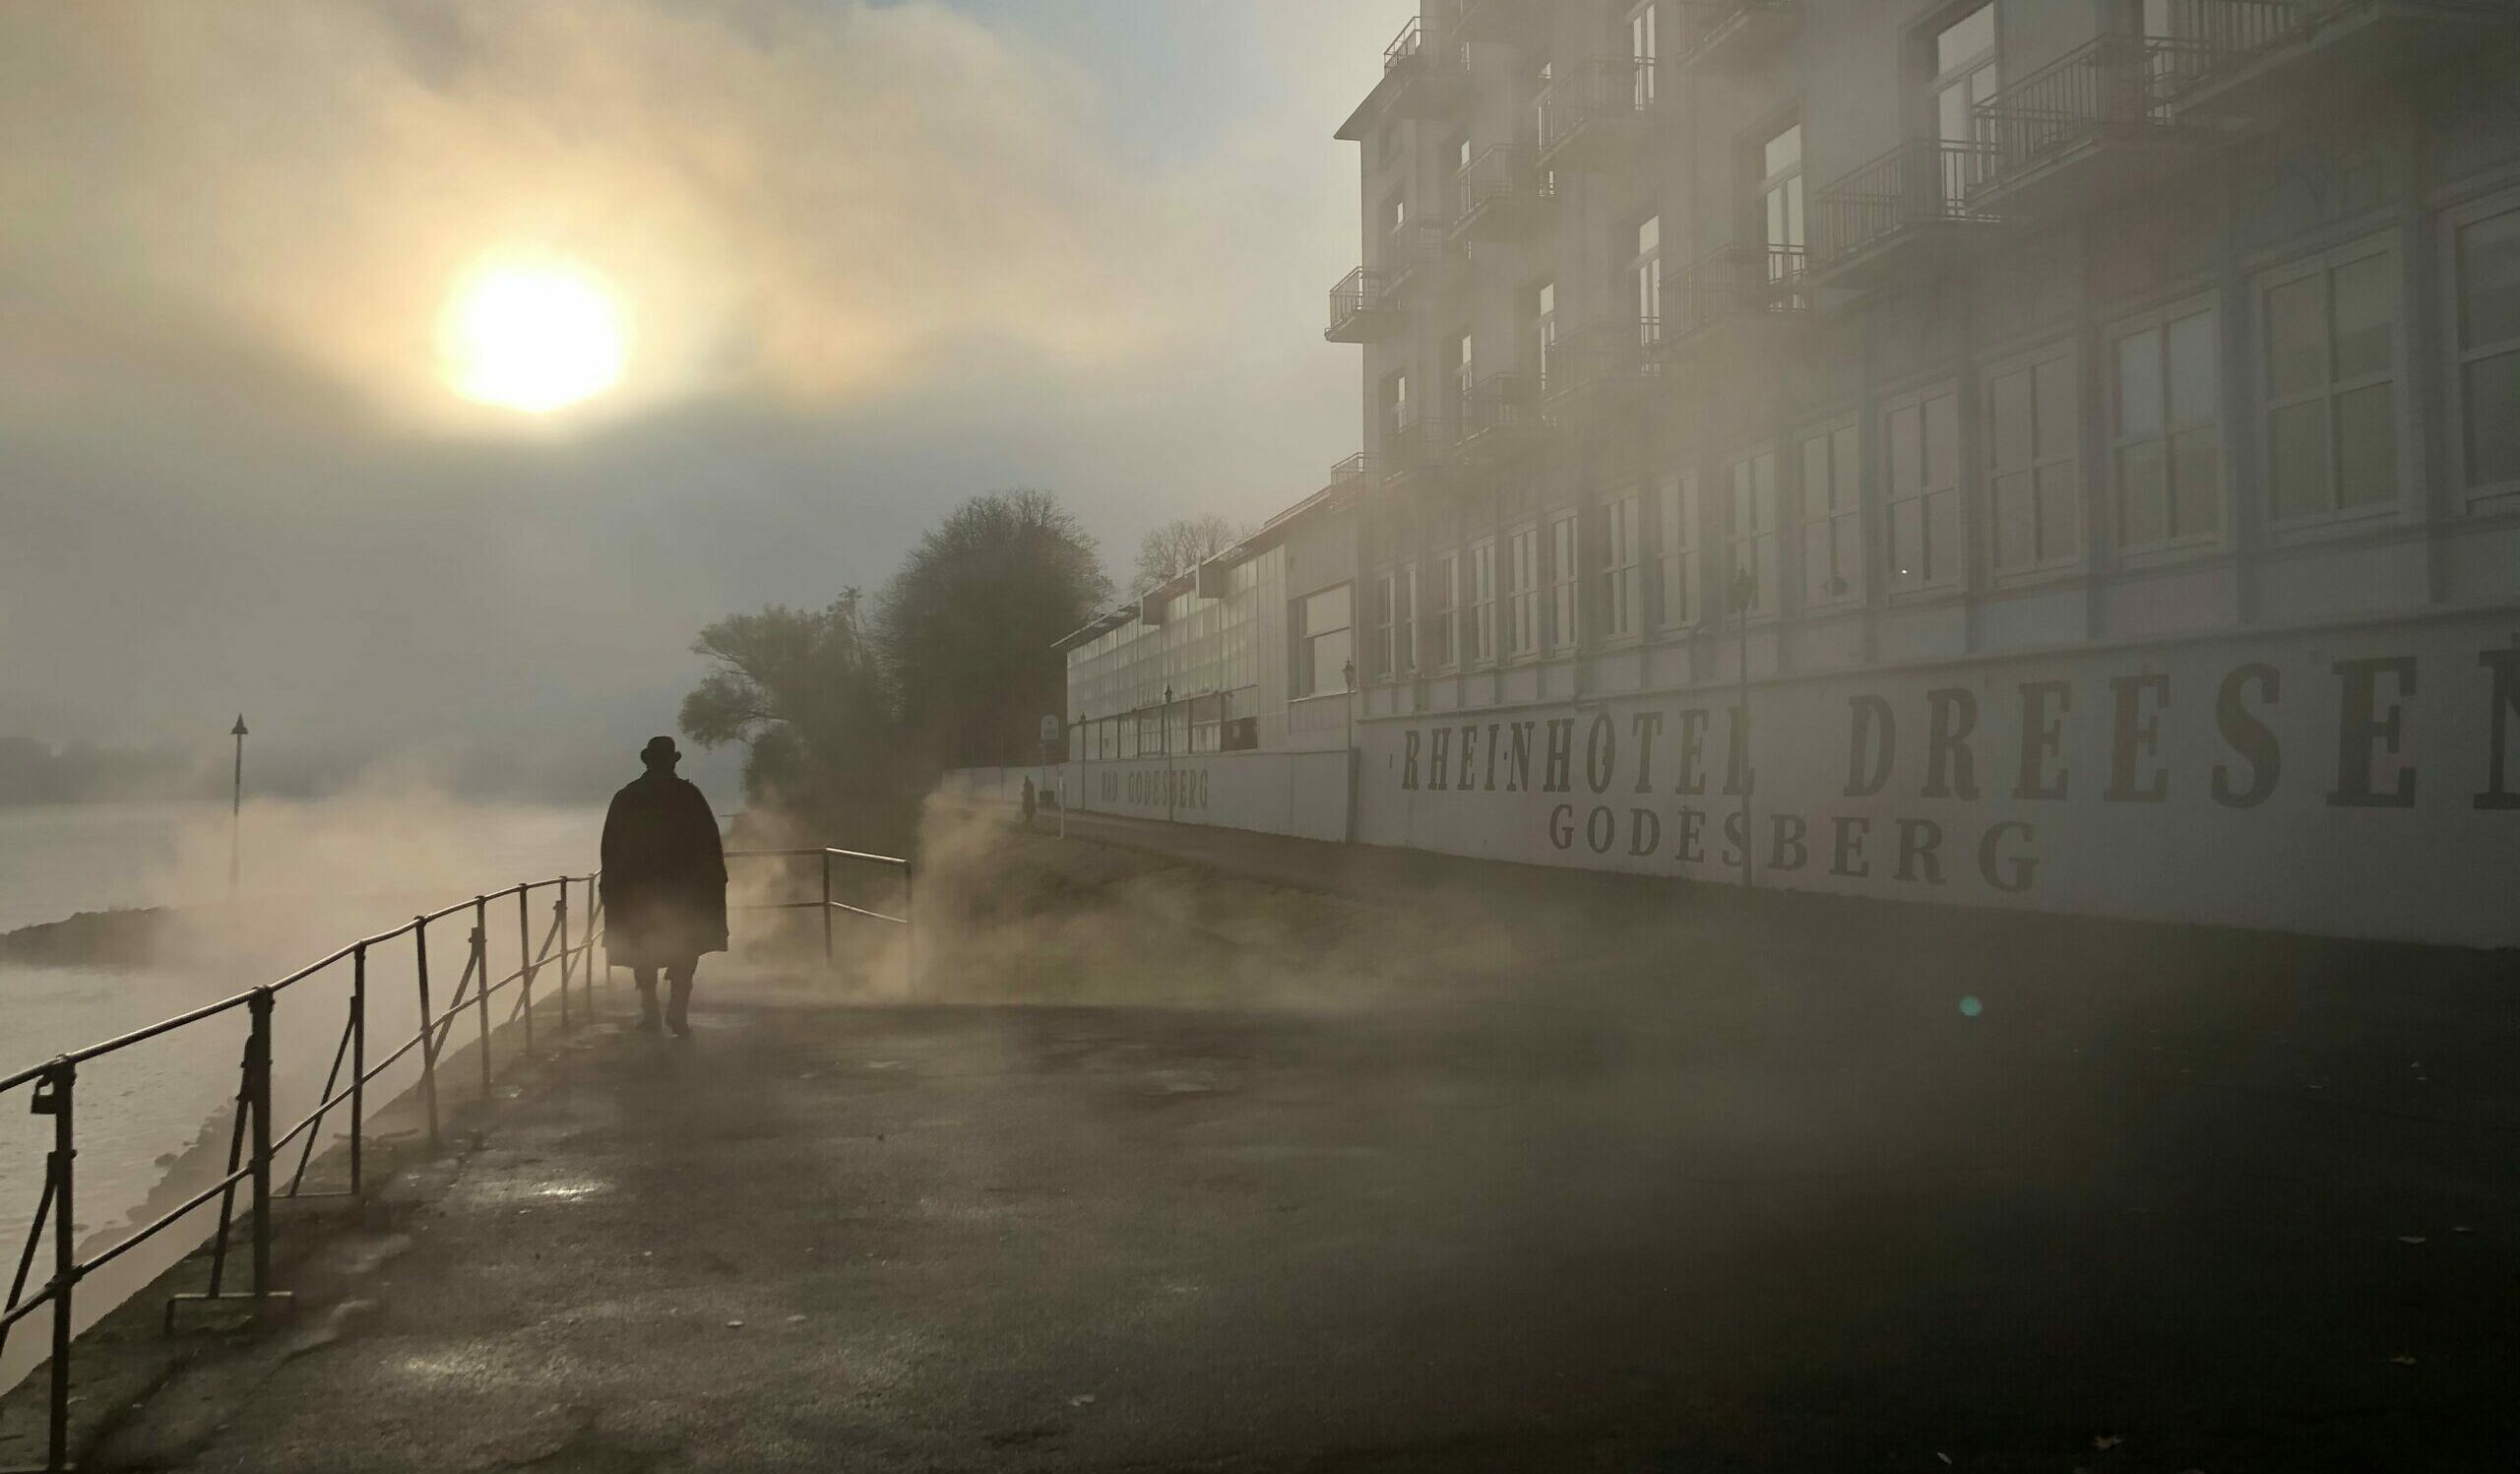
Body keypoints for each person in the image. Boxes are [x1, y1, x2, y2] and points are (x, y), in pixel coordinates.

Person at [599, 736, 727, 1036]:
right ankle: (678, 1011)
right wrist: (713, 881)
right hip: (684, 889)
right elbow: (709, 843)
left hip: (638, 891)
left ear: (647, 761)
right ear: (672, 761)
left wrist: (611, 885)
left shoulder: (627, 797)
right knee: (686, 946)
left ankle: (651, 1013)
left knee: (641, 947)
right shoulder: (689, 795)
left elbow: (610, 847)